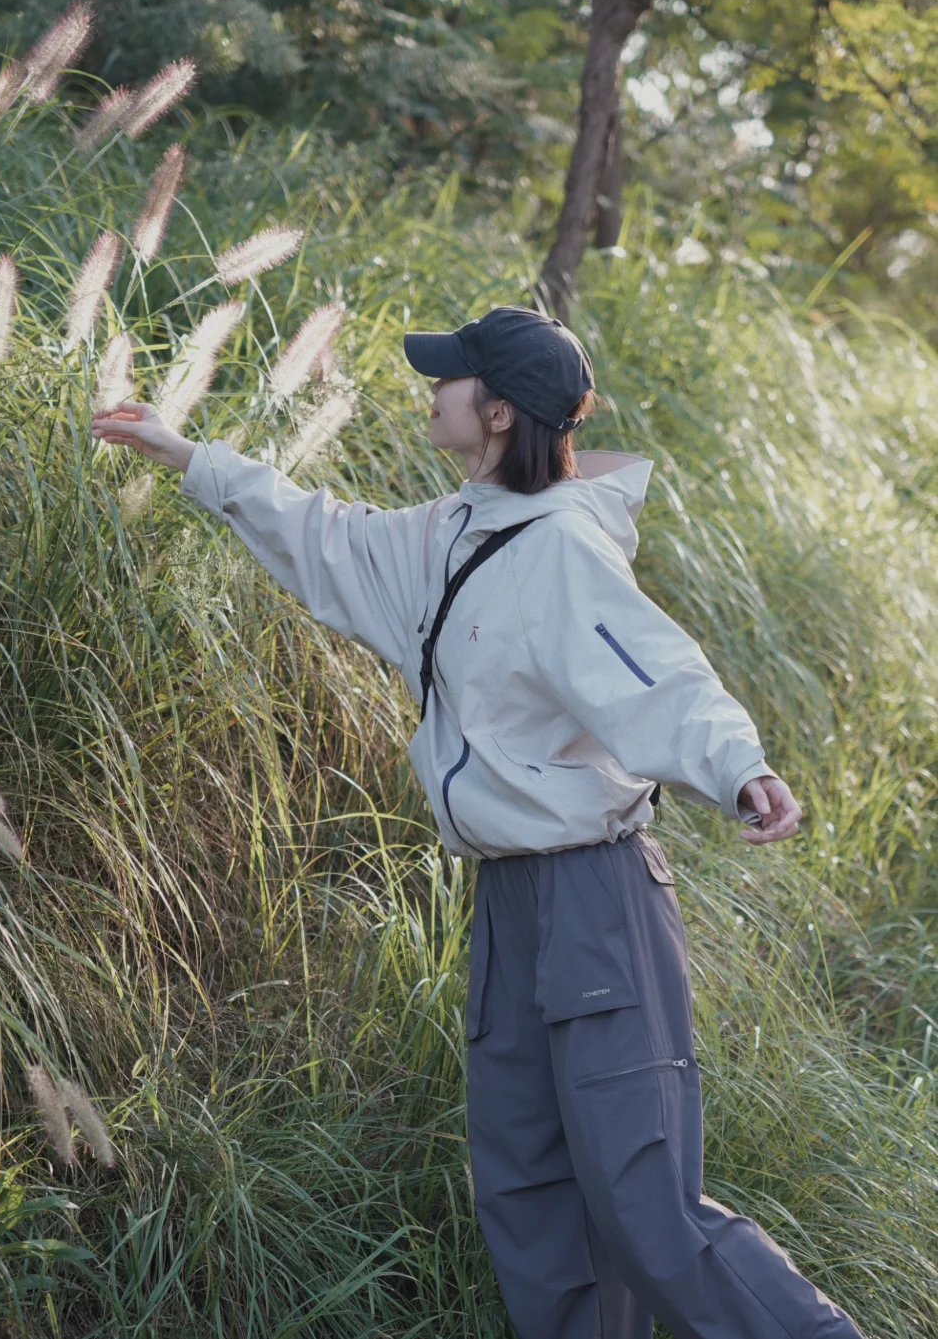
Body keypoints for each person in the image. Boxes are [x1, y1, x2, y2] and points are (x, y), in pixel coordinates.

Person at [90, 304, 865, 1339]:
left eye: (450, 378)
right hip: (509, 907)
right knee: (530, 1205)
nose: (433, 388)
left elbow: (660, 677)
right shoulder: (450, 534)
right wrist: (187, 456)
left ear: (498, 412)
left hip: (598, 904)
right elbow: (319, 534)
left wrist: (741, 770)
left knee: (645, 1210)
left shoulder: (561, 552)